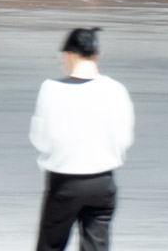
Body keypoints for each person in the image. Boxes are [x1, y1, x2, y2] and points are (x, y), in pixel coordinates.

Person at [29, 28, 136, 251]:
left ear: (68, 55)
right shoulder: (116, 90)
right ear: (97, 54)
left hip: (65, 181)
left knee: (51, 245)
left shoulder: (51, 89)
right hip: (103, 182)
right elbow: (124, 138)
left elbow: (41, 139)